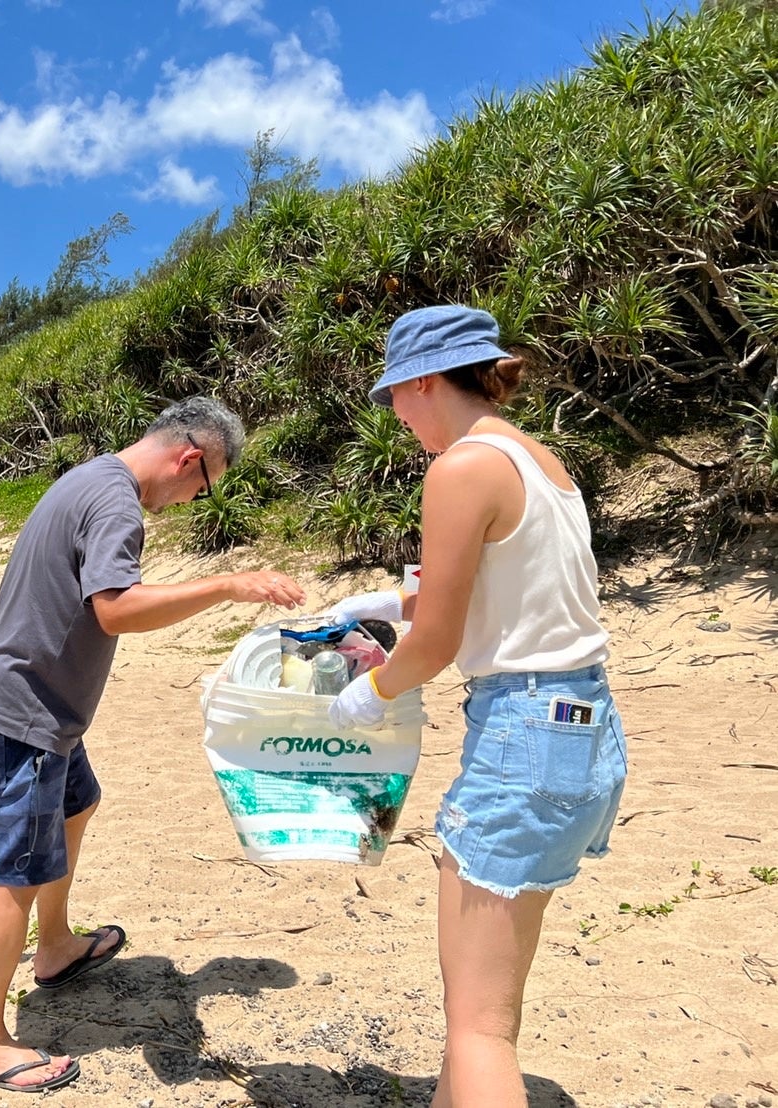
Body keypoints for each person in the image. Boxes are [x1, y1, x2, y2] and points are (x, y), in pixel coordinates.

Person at [0, 396, 307, 1094]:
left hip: (45, 710)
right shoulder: (117, 503)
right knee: (16, 872)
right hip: (26, 714)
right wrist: (229, 585)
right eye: (201, 489)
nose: (187, 502)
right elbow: (116, 609)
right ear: (189, 459)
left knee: (79, 805)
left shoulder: (94, 477)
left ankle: (54, 949)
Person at [325, 305, 627, 1106]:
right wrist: (387, 602)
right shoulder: (538, 460)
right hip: (583, 729)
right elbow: (494, 589)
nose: (394, 412)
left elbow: (437, 647)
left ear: (425, 379)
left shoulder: (459, 468)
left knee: (478, 1027)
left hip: (521, 732)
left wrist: (368, 693)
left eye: (396, 393)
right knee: (485, 1010)